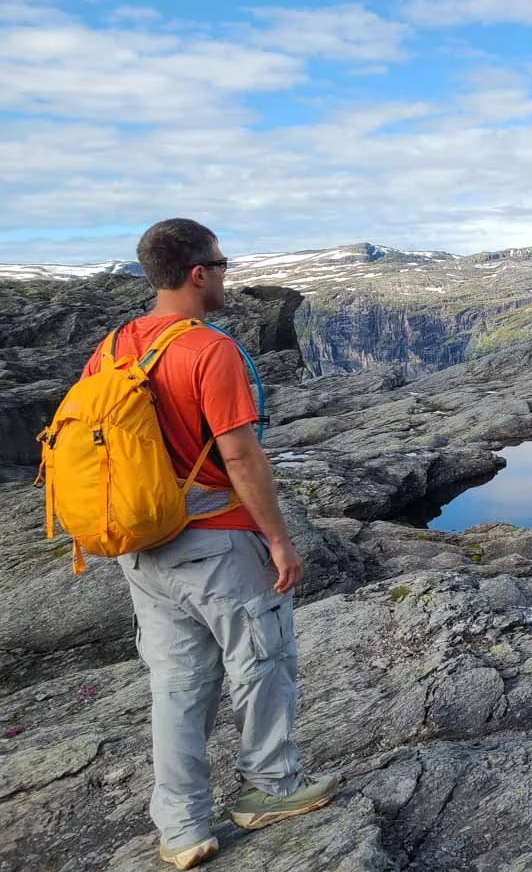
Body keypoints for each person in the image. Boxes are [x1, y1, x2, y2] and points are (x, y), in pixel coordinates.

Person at [79, 219, 337, 870]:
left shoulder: (112, 348)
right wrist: (279, 540)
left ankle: (183, 829)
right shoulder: (209, 350)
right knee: (262, 660)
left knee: (175, 685)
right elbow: (241, 456)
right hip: (216, 540)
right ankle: (268, 790)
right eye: (221, 264)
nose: (226, 274)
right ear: (198, 274)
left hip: (142, 544)